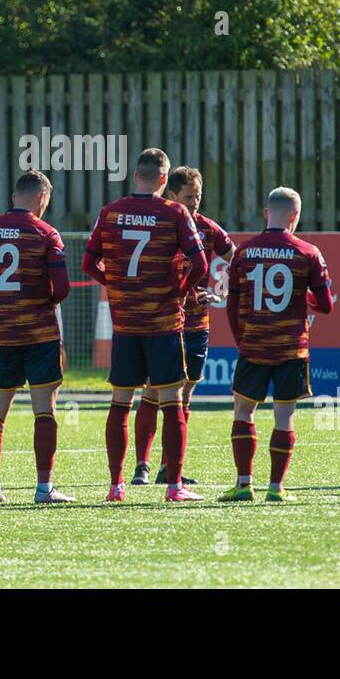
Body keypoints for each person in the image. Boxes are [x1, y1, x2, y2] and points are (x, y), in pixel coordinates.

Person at [83, 148, 208, 502]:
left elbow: (89, 264)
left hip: (126, 323)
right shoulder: (175, 213)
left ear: (136, 175)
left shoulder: (111, 212)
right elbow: (199, 264)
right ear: (165, 180)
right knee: (172, 401)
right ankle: (173, 487)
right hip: (163, 323)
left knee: (120, 402)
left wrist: (116, 286)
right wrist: (180, 292)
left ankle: (116, 485)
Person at [218, 188, 334, 502]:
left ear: (266, 213)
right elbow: (325, 305)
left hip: (253, 345)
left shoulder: (243, 251)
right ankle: (276, 488)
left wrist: (240, 339)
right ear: (295, 216)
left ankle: (243, 484)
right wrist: (303, 295)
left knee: (243, 411)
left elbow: (233, 304)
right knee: (284, 417)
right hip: (291, 348)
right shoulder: (308, 252)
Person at [0, 170, 74, 504]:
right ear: (43, 197)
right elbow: (61, 290)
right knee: (45, 409)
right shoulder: (46, 233)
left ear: (15, 197)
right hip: (40, 333)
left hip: (2, 334)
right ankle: (44, 488)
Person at [133, 165, 234, 486]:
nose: (195, 203)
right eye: (189, 197)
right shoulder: (160, 224)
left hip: (195, 325)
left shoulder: (207, 228)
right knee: (152, 391)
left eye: (198, 197)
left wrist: (221, 289)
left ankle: (168, 467)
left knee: (184, 396)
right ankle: (141, 465)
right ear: (171, 194)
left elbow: (237, 257)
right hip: (162, 323)